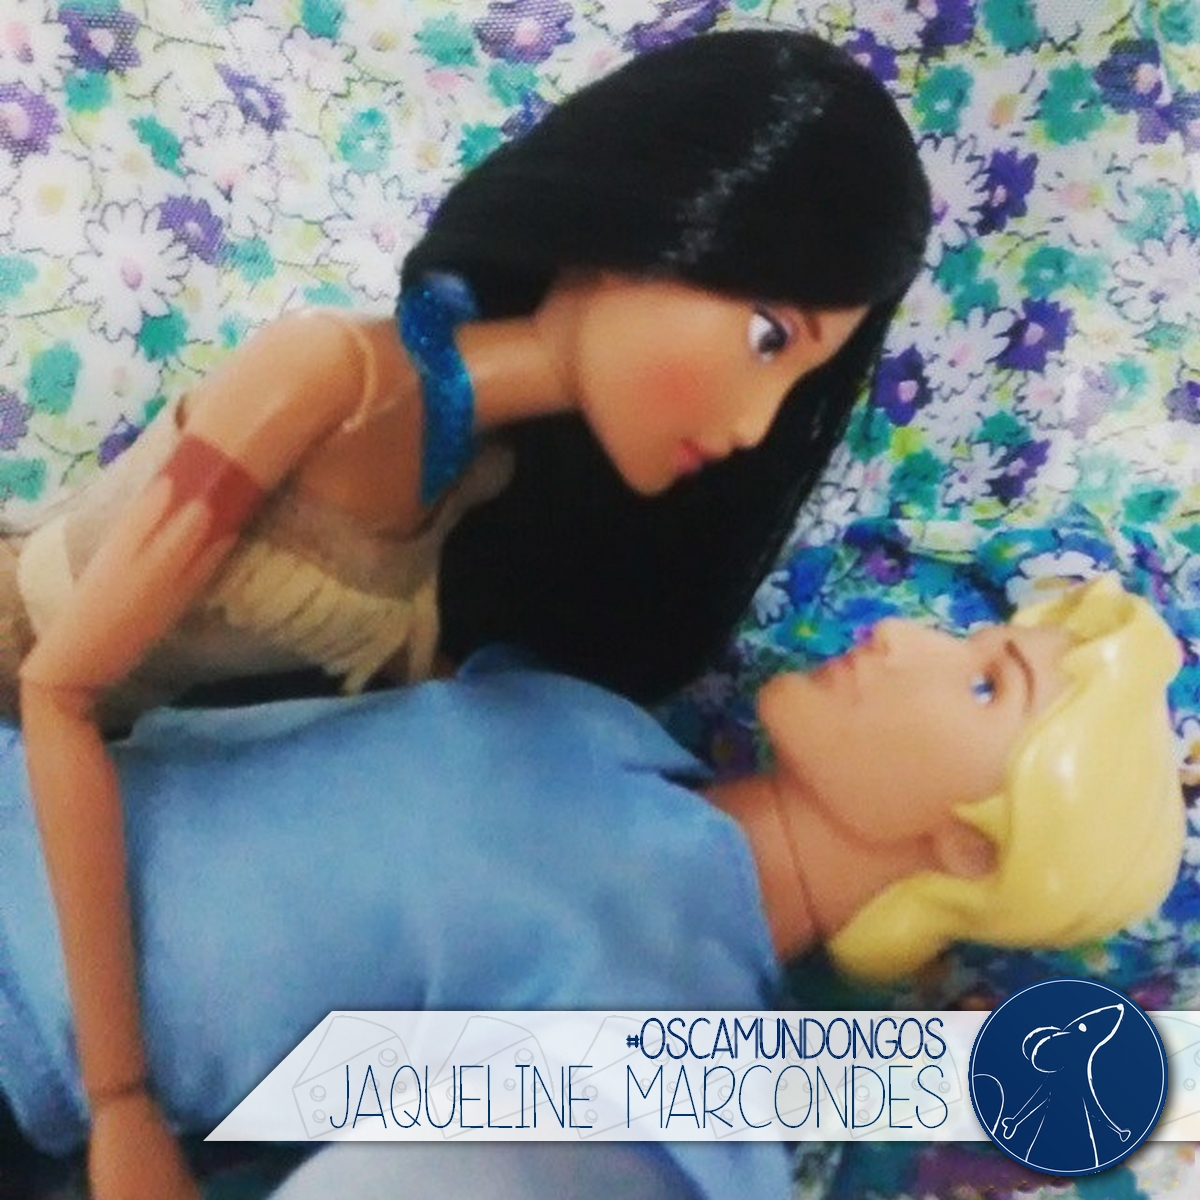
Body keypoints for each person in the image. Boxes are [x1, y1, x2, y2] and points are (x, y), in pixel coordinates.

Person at [3, 29, 932, 1200]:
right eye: (766, 338)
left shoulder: (486, 481)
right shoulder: (324, 383)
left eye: (799, 382)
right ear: (650, 224)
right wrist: (121, 1101)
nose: (756, 425)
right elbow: (58, 688)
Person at [0, 576, 1183, 1198]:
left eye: (985, 685)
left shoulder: (678, 1027)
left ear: (968, 850)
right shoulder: (602, 720)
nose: (910, 639)